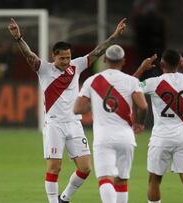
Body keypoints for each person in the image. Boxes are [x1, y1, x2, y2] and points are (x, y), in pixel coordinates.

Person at [8, 18, 127, 203]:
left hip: (74, 123)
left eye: (68, 57)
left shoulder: (76, 66)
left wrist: (114, 36)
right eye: (61, 58)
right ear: (53, 56)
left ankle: (65, 198)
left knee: (85, 168)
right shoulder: (44, 69)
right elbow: (29, 55)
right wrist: (18, 38)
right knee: (54, 167)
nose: (65, 61)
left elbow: (97, 51)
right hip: (54, 124)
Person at [73, 44, 149, 203]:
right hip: (126, 138)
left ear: (105, 59)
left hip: (103, 138)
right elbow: (143, 106)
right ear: (123, 61)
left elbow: (77, 109)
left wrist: (94, 103)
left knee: (105, 179)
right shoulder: (131, 81)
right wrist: (140, 124)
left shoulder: (92, 81)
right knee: (122, 180)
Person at [133, 49, 183, 203]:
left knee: (154, 180)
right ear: (179, 63)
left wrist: (142, 68)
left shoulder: (153, 83)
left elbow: (128, 86)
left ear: (162, 64)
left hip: (161, 138)